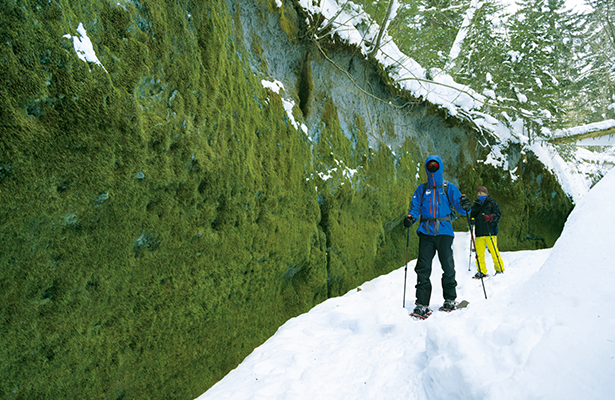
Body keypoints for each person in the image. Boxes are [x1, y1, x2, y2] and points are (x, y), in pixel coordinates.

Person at [403, 155, 472, 318]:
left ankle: (450, 299)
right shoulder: (421, 189)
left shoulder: (449, 188)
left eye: (435, 165)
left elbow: (461, 209)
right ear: (427, 168)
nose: (433, 167)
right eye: (430, 165)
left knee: (447, 265)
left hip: (444, 231)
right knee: (423, 267)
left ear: (439, 166)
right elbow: (414, 208)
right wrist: (411, 218)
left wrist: (466, 206)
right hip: (426, 232)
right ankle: (421, 303)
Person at [470, 186, 505, 278]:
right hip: (479, 232)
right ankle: (481, 271)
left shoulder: (492, 203)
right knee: (479, 253)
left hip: (490, 231)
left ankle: (499, 269)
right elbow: (472, 215)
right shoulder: (476, 204)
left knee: (494, 251)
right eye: (478, 193)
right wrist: (472, 220)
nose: (479, 195)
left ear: (486, 193)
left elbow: (498, 214)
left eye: (481, 193)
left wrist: (489, 217)